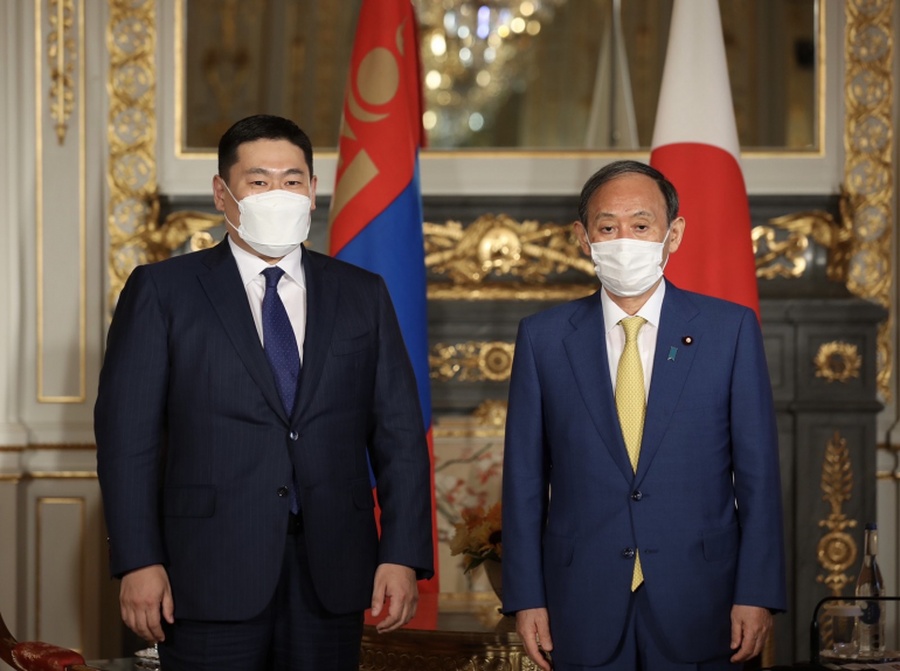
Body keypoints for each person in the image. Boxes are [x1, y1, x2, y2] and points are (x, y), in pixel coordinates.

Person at [95, 114, 434, 671]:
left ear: (314, 190)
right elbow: (128, 441)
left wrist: (401, 553)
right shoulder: (162, 292)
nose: (278, 193)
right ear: (222, 194)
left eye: (292, 179)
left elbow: (398, 434)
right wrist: (138, 560)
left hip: (333, 573)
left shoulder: (362, 294)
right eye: (258, 181)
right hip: (204, 573)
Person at [501, 160, 786, 671]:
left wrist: (757, 592)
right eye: (607, 227)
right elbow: (523, 481)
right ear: (582, 237)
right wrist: (526, 596)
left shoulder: (730, 331)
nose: (623, 239)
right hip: (580, 600)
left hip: (703, 600)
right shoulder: (543, 338)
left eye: (641, 224)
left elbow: (759, 477)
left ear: (672, 234)